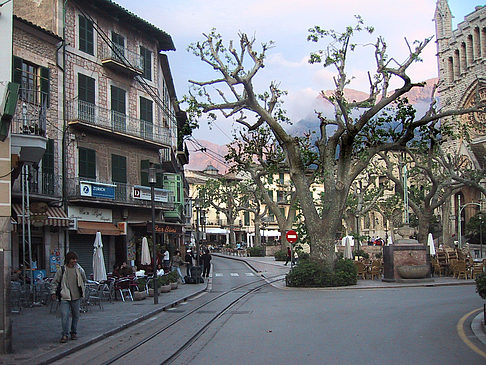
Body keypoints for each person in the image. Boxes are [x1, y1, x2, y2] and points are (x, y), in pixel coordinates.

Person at [50, 251, 87, 343]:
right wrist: (53, 292)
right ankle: (65, 334)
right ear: (68, 260)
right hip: (64, 296)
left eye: (75, 259)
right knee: (64, 315)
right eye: (73, 259)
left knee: (76, 315)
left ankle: (73, 332)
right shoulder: (62, 270)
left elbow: (84, 279)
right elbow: (55, 282)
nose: (75, 261)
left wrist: (82, 289)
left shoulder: (79, 269)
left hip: (76, 296)